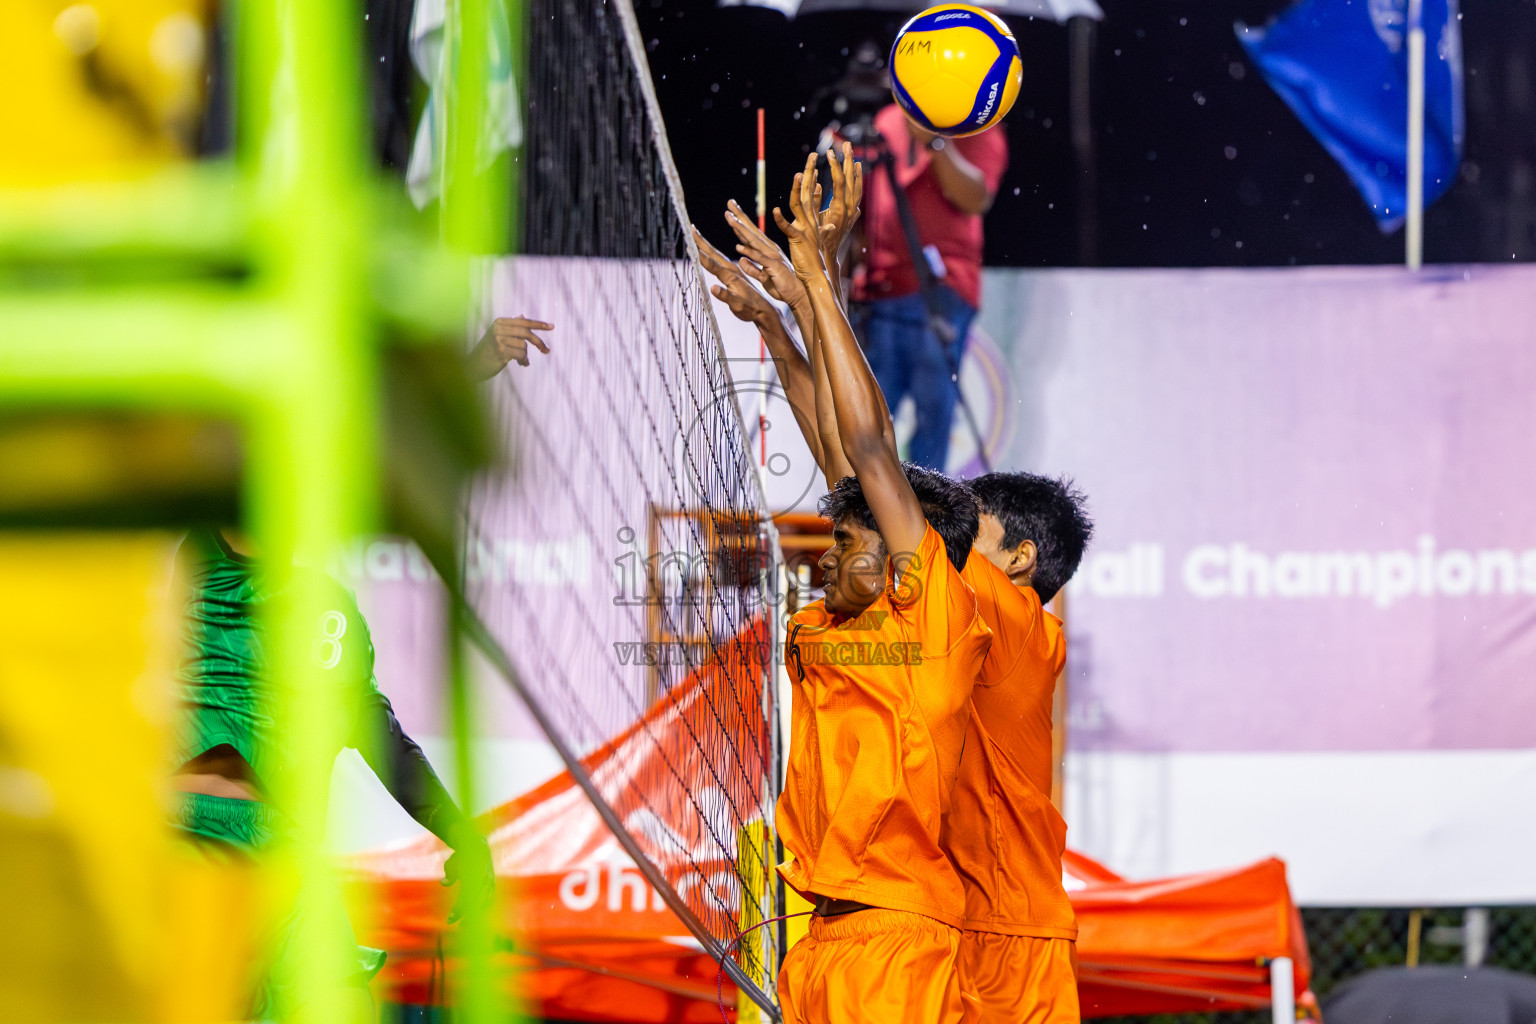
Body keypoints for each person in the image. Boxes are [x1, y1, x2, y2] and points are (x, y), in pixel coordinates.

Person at [769, 148, 992, 1024]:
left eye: (847, 543)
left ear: (909, 549)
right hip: (818, 938)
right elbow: (840, 464)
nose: (826, 557)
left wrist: (823, 283)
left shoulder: (931, 615)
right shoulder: (840, 623)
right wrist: (779, 323)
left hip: (897, 941)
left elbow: (866, 453)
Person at [171, 530, 495, 1022]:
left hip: (181, 843)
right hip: (265, 852)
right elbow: (378, 736)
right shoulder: (324, 606)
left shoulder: (176, 574)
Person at [947, 472, 1092, 1024]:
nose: (954, 538)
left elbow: (876, 491)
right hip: (967, 920)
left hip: (1007, 935)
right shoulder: (973, 617)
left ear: (1018, 559)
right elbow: (867, 499)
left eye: (970, 529)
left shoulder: (1012, 616)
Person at [856, 102, 1008, 471]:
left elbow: (976, 197)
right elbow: (861, 204)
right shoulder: (886, 120)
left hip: (942, 290)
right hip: (880, 289)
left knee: (933, 414)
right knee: (868, 423)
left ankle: (928, 518)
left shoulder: (976, 121)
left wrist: (938, 144)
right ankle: (867, 513)